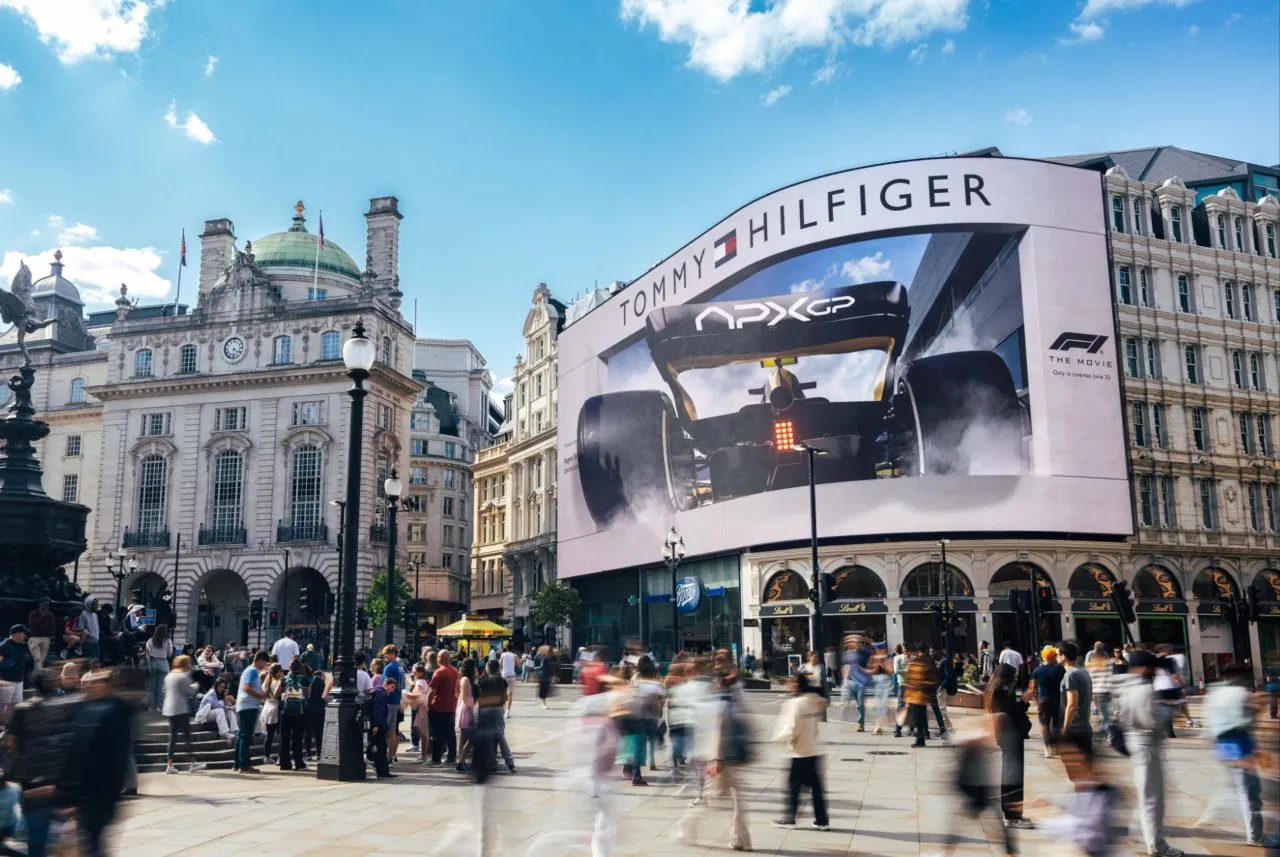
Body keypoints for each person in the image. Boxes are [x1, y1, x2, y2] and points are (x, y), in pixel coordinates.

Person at [57, 668, 134, 857]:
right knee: (91, 842)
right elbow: (74, 751)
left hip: (102, 791)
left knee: (93, 840)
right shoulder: (85, 709)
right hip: (85, 789)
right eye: (93, 681)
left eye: (101, 681)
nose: (96, 685)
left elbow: (118, 755)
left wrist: (113, 791)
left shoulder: (116, 711)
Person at [1203, 663, 1278, 848]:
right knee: (1250, 791)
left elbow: (1209, 722)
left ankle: (1213, 813)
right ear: (1239, 675)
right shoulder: (1239, 693)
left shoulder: (1213, 693)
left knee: (1236, 785)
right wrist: (1258, 708)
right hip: (1238, 742)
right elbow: (1245, 721)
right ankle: (1256, 835)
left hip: (1221, 742)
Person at [1120, 649, 1184, 857]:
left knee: (1147, 795)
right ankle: (1156, 845)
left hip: (1135, 743)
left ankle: (1149, 838)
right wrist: (1169, 708)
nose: (1155, 671)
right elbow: (1153, 720)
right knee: (1153, 798)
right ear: (1145, 668)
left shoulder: (1126, 688)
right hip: (1148, 745)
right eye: (1153, 668)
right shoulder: (1146, 690)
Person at [1034, 730, 1122, 857]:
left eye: (1070, 757)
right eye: (1063, 759)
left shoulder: (1105, 794)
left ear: (1084, 757)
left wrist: (1043, 820)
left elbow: (1090, 838)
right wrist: (1050, 806)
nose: (1065, 764)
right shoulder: (1074, 789)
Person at [771, 673, 830, 831]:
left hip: (800, 751)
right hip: (813, 749)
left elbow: (792, 728)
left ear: (797, 685)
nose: (787, 685)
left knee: (793, 786)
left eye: (790, 682)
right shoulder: (814, 701)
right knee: (816, 789)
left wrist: (781, 738)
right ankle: (822, 821)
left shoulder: (796, 704)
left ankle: (790, 818)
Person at [987, 663, 1033, 830]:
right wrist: (1024, 701)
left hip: (1004, 734)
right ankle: (1012, 815)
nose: (1016, 679)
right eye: (1014, 676)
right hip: (1010, 734)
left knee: (1010, 773)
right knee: (1014, 775)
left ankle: (1011, 813)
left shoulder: (995, 688)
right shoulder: (1004, 689)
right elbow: (1011, 712)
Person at [163, 655, 204, 774]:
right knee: (187, 736)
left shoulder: (169, 675)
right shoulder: (183, 676)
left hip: (169, 709)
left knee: (172, 738)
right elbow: (190, 692)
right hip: (180, 709)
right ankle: (193, 763)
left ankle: (170, 765)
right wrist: (196, 686)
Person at [233, 650, 269, 773]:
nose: (265, 666)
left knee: (241, 735)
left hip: (244, 705)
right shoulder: (252, 671)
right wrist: (261, 696)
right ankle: (245, 765)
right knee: (246, 736)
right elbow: (246, 688)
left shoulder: (249, 670)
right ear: (260, 660)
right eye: (265, 663)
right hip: (248, 706)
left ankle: (237, 763)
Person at [1027, 646, 1064, 758]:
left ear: (1044, 656)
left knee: (1044, 724)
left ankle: (1048, 749)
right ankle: (1057, 747)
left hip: (1043, 700)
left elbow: (1032, 687)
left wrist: (1035, 699)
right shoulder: (1060, 669)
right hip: (1057, 699)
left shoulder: (1037, 670)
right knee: (1056, 723)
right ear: (1053, 656)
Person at [427, 650, 459, 766]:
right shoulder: (456, 672)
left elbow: (432, 690)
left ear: (441, 659)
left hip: (438, 707)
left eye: (438, 657)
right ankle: (451, 757)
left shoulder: (439, 672)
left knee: (436, 734)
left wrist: (428, 704)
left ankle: (436, 759)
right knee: (450, 734)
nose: (437, 659)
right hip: (451, 707)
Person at [1058, 641, 1093, 745]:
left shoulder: (1071, 675)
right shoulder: (1082, 671)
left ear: (1063, 656)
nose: (1055, 657)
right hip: (1084, 727)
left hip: (1074, 729)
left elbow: (1072, 705)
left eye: (1057, 654)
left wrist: (1065, 730)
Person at [277, 658, 309, 771]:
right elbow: (308, 694)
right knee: (297, 738)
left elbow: (277, 693)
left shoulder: (284, 679)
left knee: (284, 738)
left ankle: (285, 763)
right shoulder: (304, 679)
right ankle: (299, 763)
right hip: (300, 712)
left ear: (289, 667)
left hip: (285, 712)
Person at [905, 643, 938, 747]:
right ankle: (924, 735)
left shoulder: (915, 662)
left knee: (918, 718)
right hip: (925, 694)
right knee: (922, 717)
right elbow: (934, 678)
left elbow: (910, 679)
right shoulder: (930, 661)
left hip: (915, 695)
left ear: (917, 651)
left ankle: (920, 740)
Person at [380, 646, 405, 763]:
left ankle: (385, 756)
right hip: (396, 700)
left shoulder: (389, 668)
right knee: (393, 731)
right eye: (385, 653)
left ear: (394, 654)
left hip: (389, 701)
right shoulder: (400, 667)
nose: (385, 655)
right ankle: (391, 756)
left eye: (388, 653)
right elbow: (402, 685)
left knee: (386, 731)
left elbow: (384, 685)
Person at [840, 637, 871, 731]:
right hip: (850, 681)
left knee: (860, 703)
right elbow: (845, 666)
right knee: (851, 702)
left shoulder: (864, 653)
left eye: (856, 642)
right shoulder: (847, 654)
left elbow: (871, 654)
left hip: (860, 682)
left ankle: (860, 723)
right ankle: (851, 720)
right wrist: (845, 679)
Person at [194, 677, 238, 742]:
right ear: (216, 686)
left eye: (223, 687)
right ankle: (223, 732)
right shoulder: (212, 692)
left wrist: (229, 706)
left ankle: (235, 731)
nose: (222, 688)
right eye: (220, 686)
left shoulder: (221, 694)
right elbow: (216, 706)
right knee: (220, 710)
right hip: (204, 715)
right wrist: (228, 707)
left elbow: (224, 706)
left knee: (230, 712)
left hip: (214, 714)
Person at [0, 625, 30, 719]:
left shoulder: (21, 646)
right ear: (17, 633)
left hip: (19, 680)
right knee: (2, 706)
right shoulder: (4, 646)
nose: (24, 636)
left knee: (16, 705)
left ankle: (10, 724)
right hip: (6, 681)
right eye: (23, 633)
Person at [367, 675, 394, 778]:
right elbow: (378, 711)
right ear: (386, 684)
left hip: (374, 724)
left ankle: (381, 770)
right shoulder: (382, 695)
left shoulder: (375, 691)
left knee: (377, 748)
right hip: (378, 725)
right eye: (392, 687)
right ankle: (383, 771)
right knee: (381, 748)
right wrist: (377, 725)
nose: (392, 690)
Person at [144, 624, 173, 712]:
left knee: (152, 687)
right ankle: (159, 707)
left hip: (153, 663)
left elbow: (147, 653)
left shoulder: (150, 640)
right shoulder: (168, 641)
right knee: (161, 687)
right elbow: (169, 655)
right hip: (163, 664)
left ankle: (151, 707)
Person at [25, 600, 56, 670]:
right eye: (44, 605)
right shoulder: (33, 613)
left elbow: (52, 627)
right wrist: (42, 618)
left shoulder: (50, 615)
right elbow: (31, 624)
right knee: (37, 658)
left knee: (42, 659)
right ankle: (39, 672)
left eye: (47, 605)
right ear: (40, 604)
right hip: (34, 638)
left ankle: (37, 672)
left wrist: (45, 629)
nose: (46, 606)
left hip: (45, 638)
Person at [499, 644, 518, 715]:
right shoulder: (515, 655)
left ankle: (504, 709)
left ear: (506, 648)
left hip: (504, 675)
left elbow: (499, 664)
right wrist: (523, 660)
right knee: (510, 694)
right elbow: (519, 665)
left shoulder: (503, 655)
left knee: (503, 693)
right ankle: (508, 711)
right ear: (512, 649)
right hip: (512, 676)